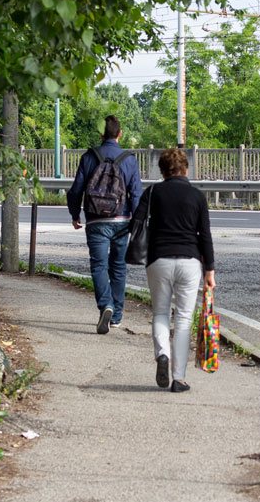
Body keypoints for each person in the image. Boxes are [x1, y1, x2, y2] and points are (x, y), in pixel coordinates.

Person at [131, 148, 215, 392]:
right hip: (190, 262)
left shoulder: (153, 192)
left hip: (159, 260)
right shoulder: (197, 196)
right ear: (186, 169)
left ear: (162, 170)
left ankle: (162, 355)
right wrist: (210, 270)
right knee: (184, 319)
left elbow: (136, 222)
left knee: (160, 313)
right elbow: (205, 235)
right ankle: (178, 378)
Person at [67, 115, 143, 334]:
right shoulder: (129, 159)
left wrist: (75, 214)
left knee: (98, 266)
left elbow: (75, 190)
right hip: (122, 221)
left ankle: (105, 305)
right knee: (118, 266)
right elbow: (136, 194)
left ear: (102, 134)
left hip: (96, 220)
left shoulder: (89, 157)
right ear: (120, 134)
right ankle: (117, 316)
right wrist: (137, 224)